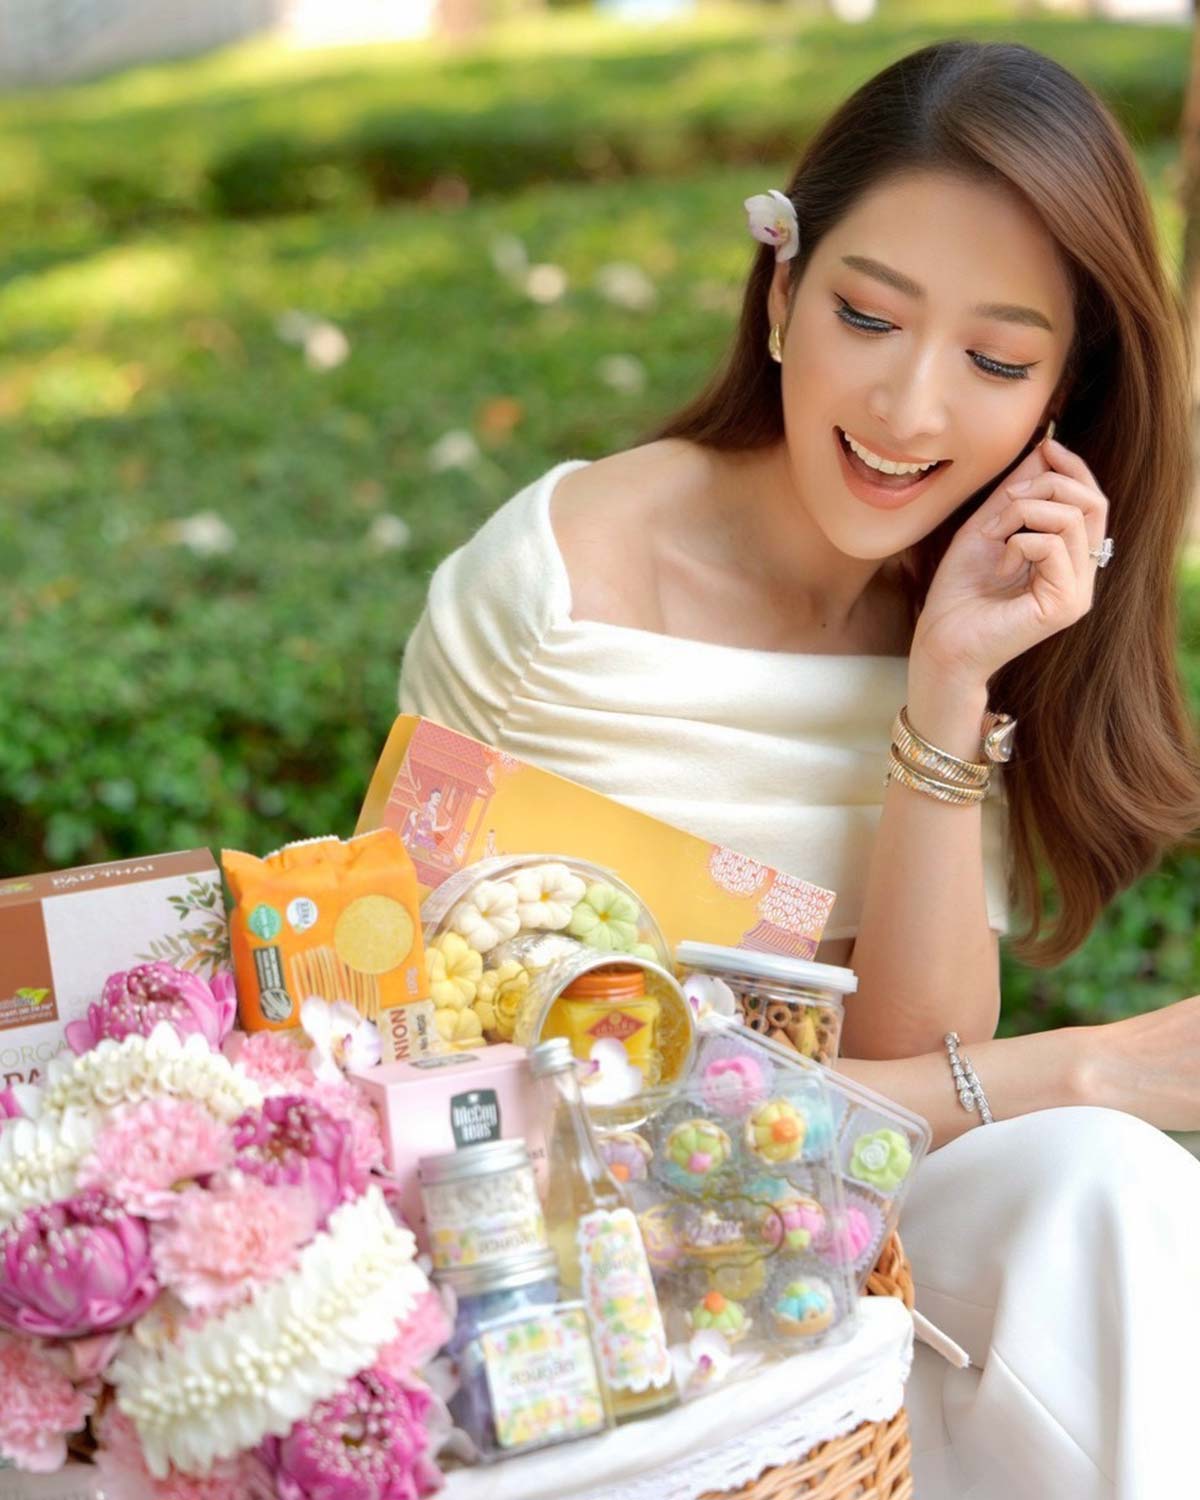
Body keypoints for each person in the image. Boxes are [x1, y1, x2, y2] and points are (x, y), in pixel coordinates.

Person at [399, 39, 1200, 1498]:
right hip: (589, 1271)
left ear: (1058, 402)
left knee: (1101, 1187)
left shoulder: (979, 612)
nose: (907, 410)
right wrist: (1089, 1066)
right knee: (1097, 1140)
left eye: (996, 362)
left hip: (851, 1254)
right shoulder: (563, 599)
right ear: (780, 293)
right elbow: (454, 1093)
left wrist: (949, 688)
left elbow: (921, 1096)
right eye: (867, 315)